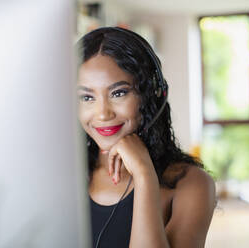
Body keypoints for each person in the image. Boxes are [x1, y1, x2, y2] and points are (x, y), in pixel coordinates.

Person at [77, 26, 216, 248]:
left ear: (150, 93)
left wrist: (144, 175)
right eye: (86, 97)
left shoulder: (191, 184)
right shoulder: (64, 178)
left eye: (118, 93)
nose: (102, 113)